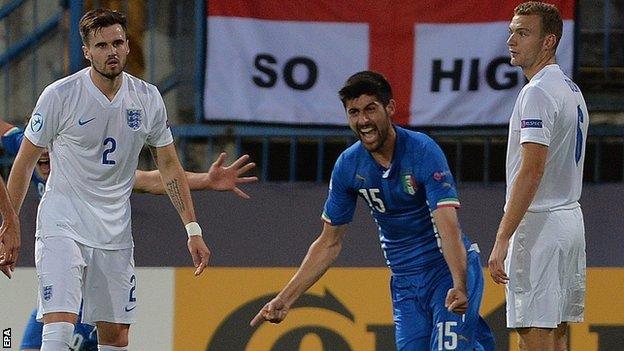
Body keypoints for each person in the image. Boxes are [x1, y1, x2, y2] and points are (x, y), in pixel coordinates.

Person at [0, 8, 210, 350]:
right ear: (87, 51)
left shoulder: (147, 99)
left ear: (128, 46)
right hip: (62, 224)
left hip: (114, 231)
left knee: (116, 336)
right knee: (60, 324)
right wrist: (9, 225)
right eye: (100, 45)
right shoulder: (59, 96)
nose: (110, 51)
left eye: (117, 43)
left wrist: (193, 229)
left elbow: (169, 166)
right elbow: (23, 163)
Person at [251, 71, 495, 350]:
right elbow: (329, 243)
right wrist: (285, 299)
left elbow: (448, 225)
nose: (363, 121)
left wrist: (459, 283)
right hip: (405, 285)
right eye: (353, 112)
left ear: (389, 108)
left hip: (446, 272)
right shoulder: (348, 166)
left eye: (370, 109)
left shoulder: (422, 150)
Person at [0, 116, 257, 351]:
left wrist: (206, 180)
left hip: (97, 277)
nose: (44, 157)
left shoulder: (92, 167)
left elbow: (149, 179)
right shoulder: (28, 144)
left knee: (110, 339)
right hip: (64, 274)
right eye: (39, 152)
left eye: (50, 151)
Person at [487, 2, 588, 351]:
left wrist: (503, 237)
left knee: (534, 341)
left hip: (540, 227)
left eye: (523, 32)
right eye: (512, 31)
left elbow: (531, 171)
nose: (512, 40)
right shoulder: (571, 91)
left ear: (549, 41)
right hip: (568, 222)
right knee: (556, 338)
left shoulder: (537, 93)